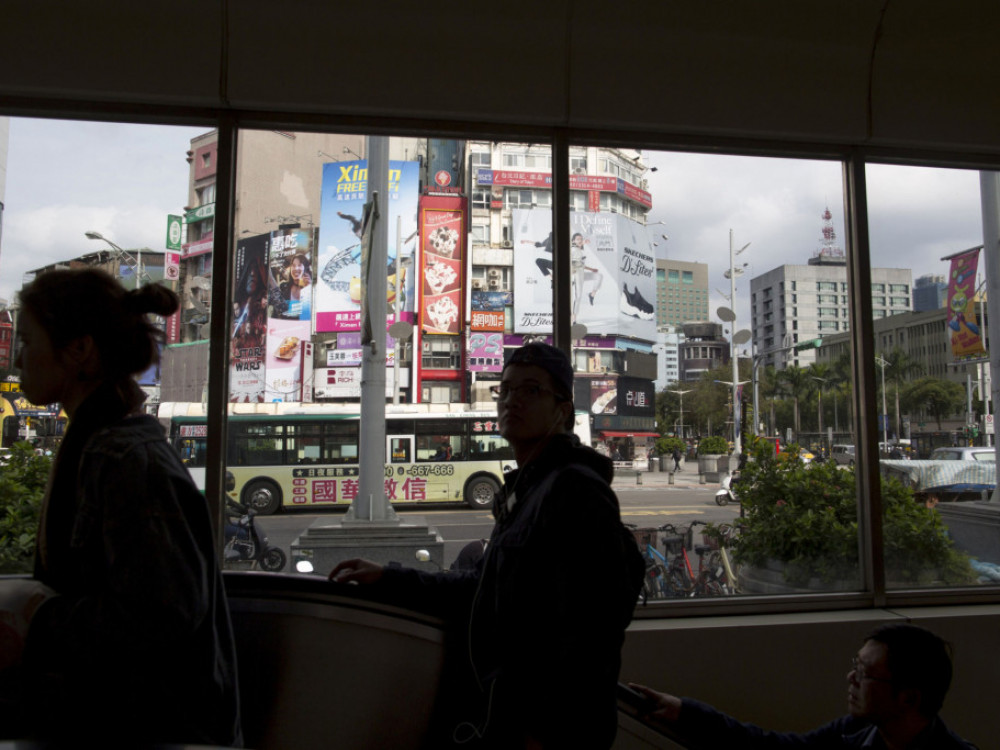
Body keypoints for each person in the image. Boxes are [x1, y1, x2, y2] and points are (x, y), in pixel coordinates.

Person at [330, 342, 645, 748]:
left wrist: (544, 730)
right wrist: (389, 576)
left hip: (548, 729)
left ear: (562, 409)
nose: (512, 401)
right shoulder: (526, 490)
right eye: (506, 390)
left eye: (531, 390)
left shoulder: (575, 490)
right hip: (502, 712)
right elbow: (480, 588)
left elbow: (590, 632)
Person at [6, 269, 241, 746]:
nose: (17, 360)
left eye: (28, 341)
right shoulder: (106, 443)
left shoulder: (125, 460)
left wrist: (34, 613)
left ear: (79, 350)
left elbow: (159, 618)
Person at [628, 623, 977, 749]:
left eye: (865, 673)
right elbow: (770, 745)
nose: (850, 678)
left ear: (909, 698)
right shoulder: (856, 731)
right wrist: (684, 712)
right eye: (854, 666)